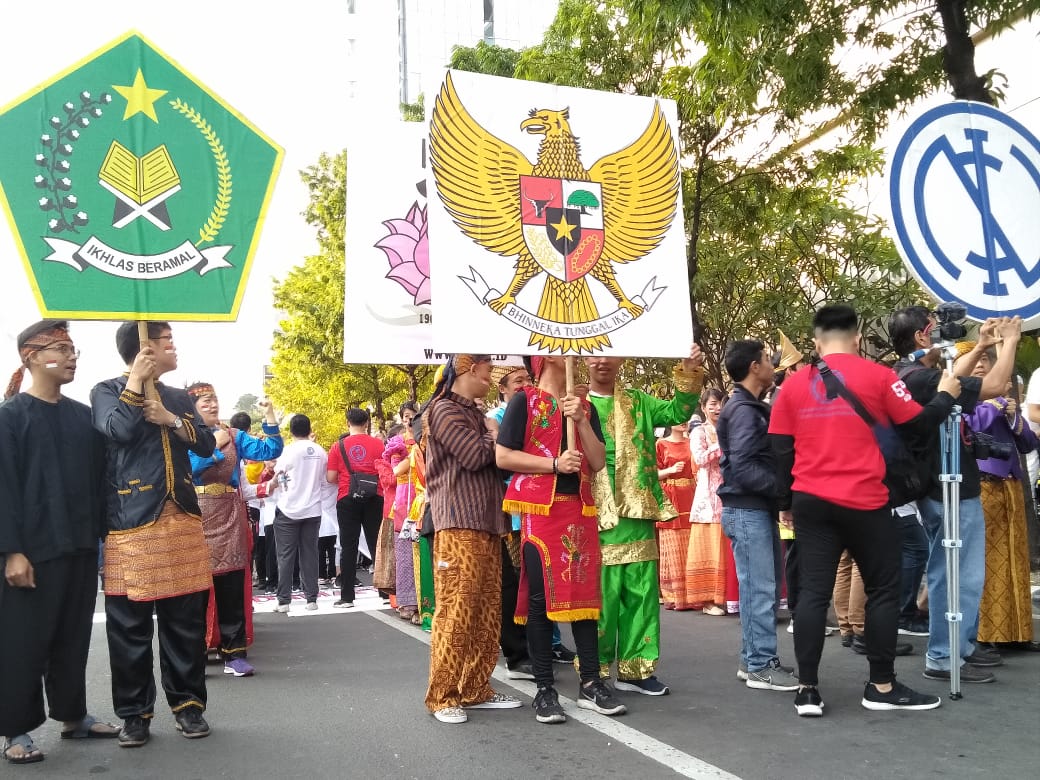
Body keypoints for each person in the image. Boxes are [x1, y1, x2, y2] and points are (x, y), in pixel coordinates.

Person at [770, 304, 962, 715]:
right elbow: (916, 426)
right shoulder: (880, 377)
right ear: (857, 338)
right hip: (865, 501)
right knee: (883, 590)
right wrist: (946, 395)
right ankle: (881, 685)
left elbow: (780, 450)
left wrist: (786, 504)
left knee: (812, 596)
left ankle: (807, 690)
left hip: (811, 501)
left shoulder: (792, 385)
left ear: (817, 341)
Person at [91, 321, 216, 745]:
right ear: (145, 349)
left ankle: (189, 707)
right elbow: (117, 430)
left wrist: (170, 419)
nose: (174, 349)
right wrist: (135, 382)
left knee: (185, 622)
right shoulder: (105, 391)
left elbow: (204, 445)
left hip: (181, 520)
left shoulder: (179, 396)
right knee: (129, 627)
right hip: (129, 522)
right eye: (166, 343)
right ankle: (134, 716)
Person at [0, 321, 118, 764]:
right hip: (30, 553)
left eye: (73, 350)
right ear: (31, 356)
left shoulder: (81, 417)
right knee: (23, 642)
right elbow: (4, 488)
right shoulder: (9, 417)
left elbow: (98, 480)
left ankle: (74, 717)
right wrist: (12, 550)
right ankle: (14, 728)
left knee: (73, 639)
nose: (71, 357)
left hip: (80, 546)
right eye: (60, 349)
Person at [889, 307, 1022, 682]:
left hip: (942, 484)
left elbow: (953, 378)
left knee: (957, 570)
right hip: (947, 486)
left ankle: (958, 647)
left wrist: (980, 346)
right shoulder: (920, 378)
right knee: (957, 573)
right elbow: (994, 387)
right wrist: (1009, 341)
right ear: (922, 336)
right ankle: (944, 655)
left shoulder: (909, 375)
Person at [497, 355, 615, 723]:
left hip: (580, 508)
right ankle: (545, 687)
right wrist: (553, 465)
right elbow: (503, 455)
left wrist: (580, 419)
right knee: (539, 596)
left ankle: (591, 682)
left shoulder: (585, 406)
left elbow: (596, 462)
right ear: (546, 354)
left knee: (584, 594)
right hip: (540, 511)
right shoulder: (525, 400)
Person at [584, 344, 705, 696]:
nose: (601, 360)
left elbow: (678, 409)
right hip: (595, 510)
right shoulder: (575, 403)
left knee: (640, 592)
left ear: (622, 359)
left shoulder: (640, 401)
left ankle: (637, 668)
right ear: (584, 358)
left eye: (610, 353)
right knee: (602, 594)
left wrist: (688, 372)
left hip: (638, 511)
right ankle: (596, 666)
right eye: (594, 353)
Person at [422, 354, 522, 724]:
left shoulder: (474, 413)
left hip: (487, 523)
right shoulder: (444, 410)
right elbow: (475, 455)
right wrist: (494, 436)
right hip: (458, 524)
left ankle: (475, 689)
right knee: (457, 613)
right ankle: (442, 696)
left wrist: (489, 432)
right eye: (486, 369)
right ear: (467, 370)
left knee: (486, 613)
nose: (490, 377)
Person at [715, 339, 797, 692]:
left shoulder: (746, 406)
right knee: (760, 590)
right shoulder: (746, 410)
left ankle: (754, 660)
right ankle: (761, 665)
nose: (771, 364)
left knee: (757, 589)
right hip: (747, 509)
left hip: (749, 509)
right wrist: (783, 492)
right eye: (767, 359)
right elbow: (745, 468)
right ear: (753, 366)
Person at [187, 385, 283, 677]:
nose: (213, 405)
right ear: (192, 408)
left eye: (215, 399)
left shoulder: (235, 435)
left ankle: (234, 653)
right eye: (206, 402)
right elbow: (187, 470)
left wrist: (269, 415)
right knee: (196, 590)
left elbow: (270, 449)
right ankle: (194, 654)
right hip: (195, 513)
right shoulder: (183, 436)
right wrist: (213, 449)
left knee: (230, 586)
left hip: (228, 512)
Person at [961, 346, 1037, 648]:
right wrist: (994, 403)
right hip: (982, 484)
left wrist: (1014, 415)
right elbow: (974, 425)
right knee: (985, 560)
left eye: (985, 359)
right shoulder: (963, 396)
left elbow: (1028, 442)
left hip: (1011, 484)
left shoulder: (1004, 400)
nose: (981, 365)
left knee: (1015, 559)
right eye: (976, 360)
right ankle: (985, 633)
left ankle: (1017, 632)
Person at [327, 407, 385, 609]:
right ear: (367, 423)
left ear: (347, 423)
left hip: (347, 497)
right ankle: (385, 591)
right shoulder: (379, 444)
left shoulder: (338, 446)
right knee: (375, 544)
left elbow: (331, 477)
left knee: (348, 545)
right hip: (375, 496)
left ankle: (347, 596)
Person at [685, 388, 736, 616]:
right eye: (712, 404)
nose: (717, 409)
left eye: (720, 404)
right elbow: (699, 459)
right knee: (710, 549)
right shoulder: (700, 432)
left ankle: (727, 597)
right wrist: (721, 444)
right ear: (704, 407)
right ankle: (707, 600)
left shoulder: (729, 429)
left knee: (727, 550)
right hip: (708, 498)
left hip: (730, 495)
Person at [656, 422, 695, 611]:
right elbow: (650, 473)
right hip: (671, 495)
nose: (684, 421)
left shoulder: (692, 442)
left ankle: (693, 593)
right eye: (679, 418)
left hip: (691, 493)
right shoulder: (661, 444)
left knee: (691, 544)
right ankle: (674, 594)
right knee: (673, 544)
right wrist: (669, 471)